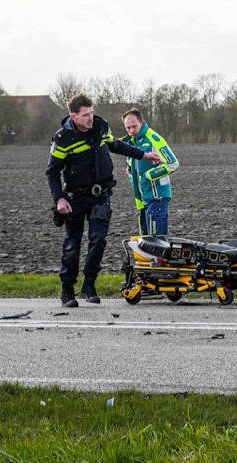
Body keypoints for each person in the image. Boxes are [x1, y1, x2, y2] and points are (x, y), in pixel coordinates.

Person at [46, 93, 164, 307]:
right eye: (85, 115)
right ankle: (67, 290)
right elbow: (52, 172)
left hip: (100, 195)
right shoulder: (63, 138)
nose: (90, 118)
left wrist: (143, 155)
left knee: (98, 241)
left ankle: (89, 285)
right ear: (73, 116)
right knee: (72, 245)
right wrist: (59, 199)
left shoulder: (101, 127)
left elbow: (116, 145)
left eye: (91, 112)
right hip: (75, 198)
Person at [121, 107, 180, 237]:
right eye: (128, 128)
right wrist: (131, 174)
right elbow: (134, 170)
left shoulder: (153, 138)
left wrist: (149, 176)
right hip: (141, 202)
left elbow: (173, 163)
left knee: (157, 243)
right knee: (146, 243)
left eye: (134, 126)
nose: (131, 131)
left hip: (157, 198)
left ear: (142, 123)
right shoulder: (130, 144)